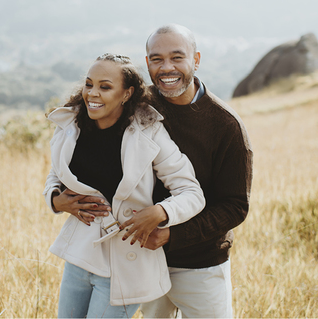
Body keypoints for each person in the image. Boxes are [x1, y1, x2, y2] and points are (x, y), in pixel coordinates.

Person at [44, 53, 206, 317]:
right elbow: (56, 173)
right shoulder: (71, 124)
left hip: (126, 264)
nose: (92, 94)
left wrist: (160, 213)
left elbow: (191, 193)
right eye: (89, 84)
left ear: (127, 94)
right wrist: (55, 199)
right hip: (80, 257)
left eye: (105, 87)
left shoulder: (148, 131)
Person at [137, 24, 253, 318]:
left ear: (196, 59)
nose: (167, 68)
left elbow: (235, 206)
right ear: (147, 61)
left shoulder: (226, 125)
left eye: (177, 57)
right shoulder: (136, 109)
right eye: (156, 59)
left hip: (202, 265)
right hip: (142, 260)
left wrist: (171, 236)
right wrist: (58, 196)